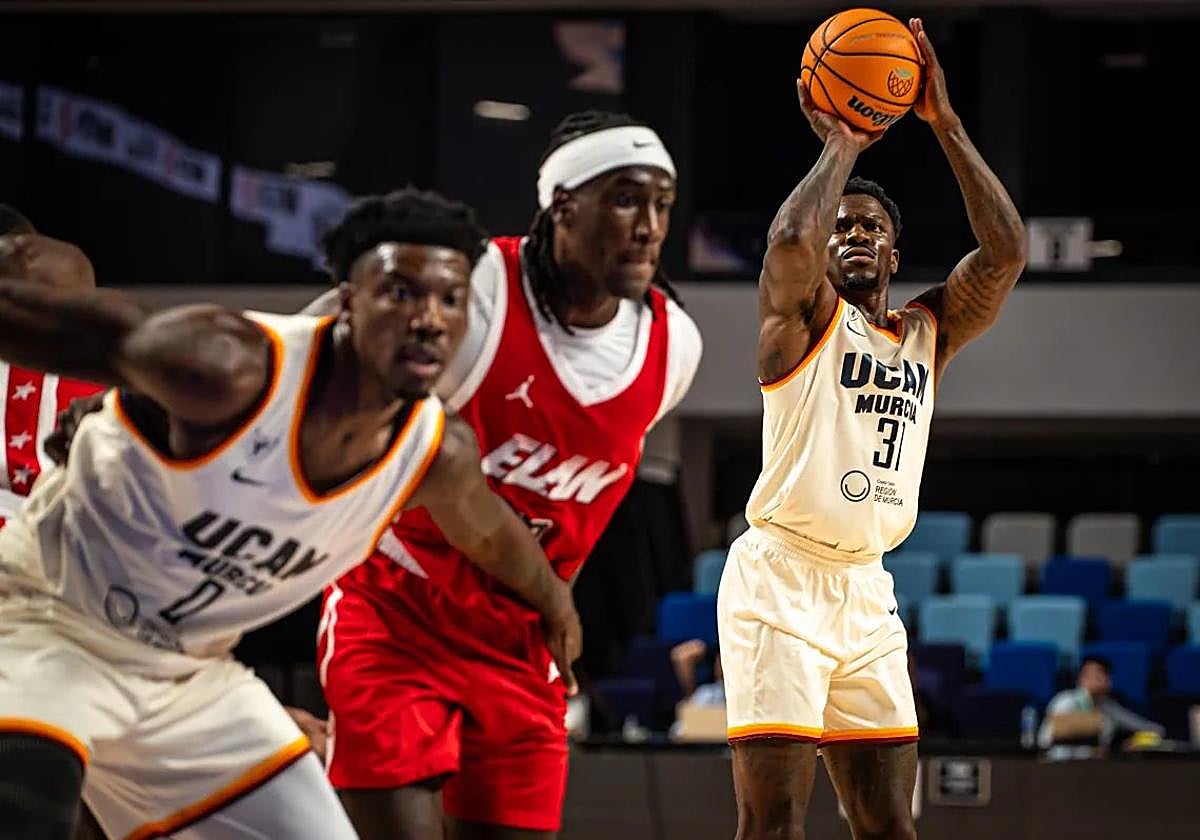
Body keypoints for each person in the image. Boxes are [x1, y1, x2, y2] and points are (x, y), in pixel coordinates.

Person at [0, 188, 581, 840]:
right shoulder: (233, 366)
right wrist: (114, 408)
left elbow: (490, 533)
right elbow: (72, 330)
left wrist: (554, 602)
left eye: (451, 300)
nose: (430, 319)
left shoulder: (435, 451)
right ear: (346, 302)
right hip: (45, 623)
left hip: (187, 676)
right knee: (28, 811)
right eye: (400, 293)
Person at [316, 110, 702, 840]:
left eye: (662, 203)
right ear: (562, 205)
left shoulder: (674, 345)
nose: (650, 225)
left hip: (523, 641)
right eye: (624, 199)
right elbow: (314, 341)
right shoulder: (475, 288)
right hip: (399, 611)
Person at [717, 18, 1025, 840]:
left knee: (890, 822)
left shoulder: (929, 332)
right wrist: (845, 143)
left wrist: (946, 127)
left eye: (871, 229)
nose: (853, 235)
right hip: (780, 580)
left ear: (895, 253)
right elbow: (789, 238)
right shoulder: (801, 319)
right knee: (774, 821)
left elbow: (1005, 252)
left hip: (865, 588)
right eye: (842, 228)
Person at [1038, 656, 1165, 760]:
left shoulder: (1109, 707)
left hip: (1097, 771)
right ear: (1082, 678)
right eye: (1098, 675)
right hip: (1060, 768)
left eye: (1107, 676)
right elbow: (1047, 742)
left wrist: (1138, 741)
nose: (1105, 680)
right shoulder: (1064, 702)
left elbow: (1155, 730)